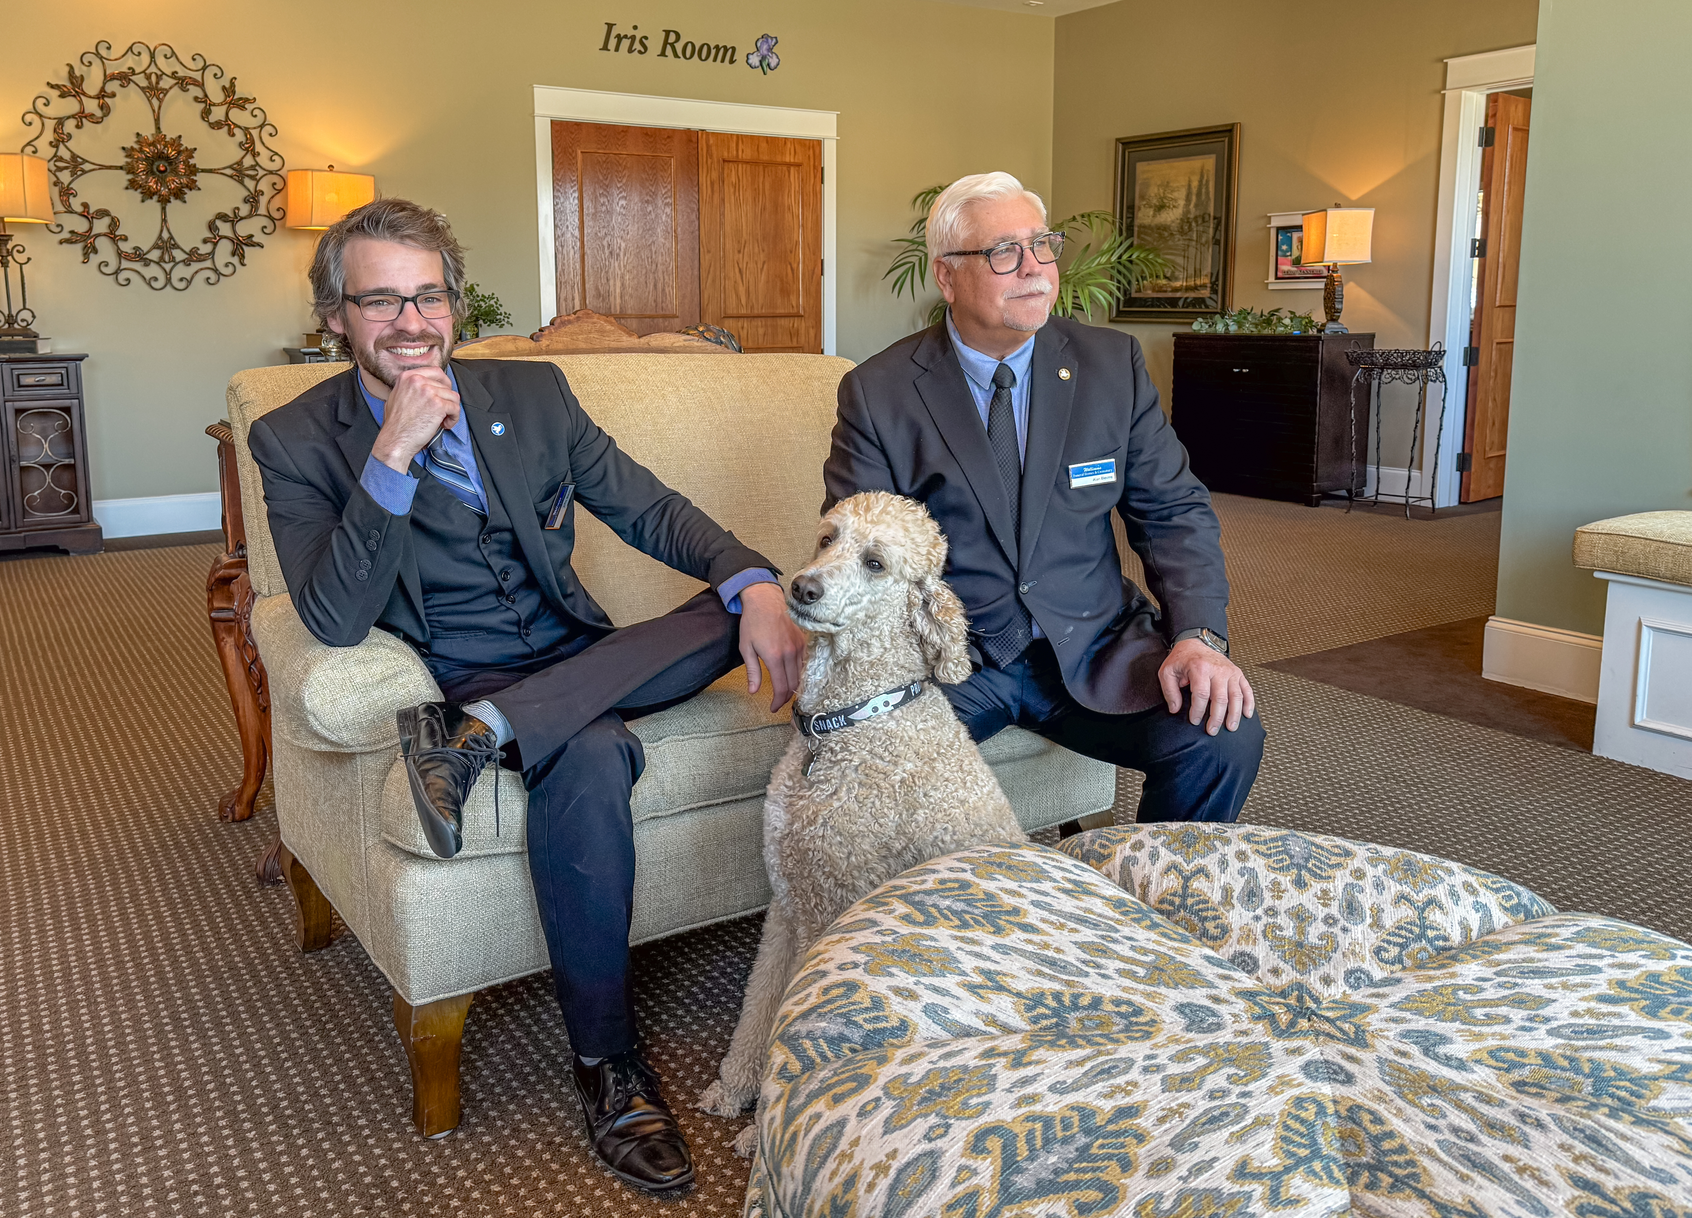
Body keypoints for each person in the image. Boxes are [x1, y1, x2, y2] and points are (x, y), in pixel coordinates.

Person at [247, 197, 804, 1195]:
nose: (411, 323)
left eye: (429, 297)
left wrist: (754, 579)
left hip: (575, 650)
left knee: (737, 606)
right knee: (591, 753)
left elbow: (650, 509)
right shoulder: (295, 439)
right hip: (461, 668)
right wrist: (391, 454)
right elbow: (330, 617)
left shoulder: (533, 394)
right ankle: (608, 1068)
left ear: (455, 304)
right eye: (381, 301)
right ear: (335, 316)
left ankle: (480, 737)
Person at [824, 171, 1263, 822]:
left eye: (1042, 245)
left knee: (1222, 735)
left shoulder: (1112, 366)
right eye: (1004, 252)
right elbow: (863, 554)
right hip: (955, 657)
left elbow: (1173, 513)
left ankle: (1146, 886)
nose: (1033, 268)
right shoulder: (878, 392)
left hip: (1095, 642)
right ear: (946, 275)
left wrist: (1198, 637)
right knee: (856, 764)